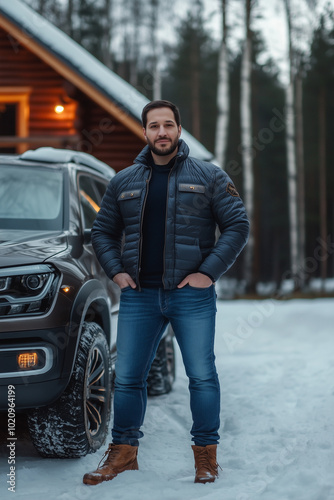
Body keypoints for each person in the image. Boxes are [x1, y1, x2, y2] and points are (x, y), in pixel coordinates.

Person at [83, 100, 249, 486]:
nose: (162, 132)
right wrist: (117, 272)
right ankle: (123, 453)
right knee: (126, 377)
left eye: (168, 125)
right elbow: (102, 232)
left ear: (179, 129)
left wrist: (208, 273)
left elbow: (237, 225)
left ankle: (205, 456)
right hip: (140, 295)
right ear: (144, 132)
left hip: (190, 294)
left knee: (202, 376)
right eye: (154, 126)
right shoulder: (123, 180)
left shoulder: (209, 176)